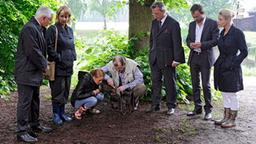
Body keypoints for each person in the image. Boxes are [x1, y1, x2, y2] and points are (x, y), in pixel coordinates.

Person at [14, 6, 54, 143]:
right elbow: (33, 52)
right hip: (26, 73)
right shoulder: (29, 29)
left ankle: (34, 125)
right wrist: (45, 66)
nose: (49, 23)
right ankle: (22, 131)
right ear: (43, 18)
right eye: (49, 20)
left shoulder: (39, 28)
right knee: (25, 103)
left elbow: (41, 51)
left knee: (34, 100)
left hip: (33, 73)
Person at [148, 1, 185, 115]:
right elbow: (152, 40)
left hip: (168, 59)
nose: (155, 16)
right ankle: (155, 105)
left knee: (169, 83)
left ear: (163, 11)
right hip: (155, 58)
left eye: (157, 13)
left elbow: (177, 43)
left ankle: (171, 106)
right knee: (155, 82)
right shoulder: (154, 23)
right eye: (153, 13)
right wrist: (151, 53)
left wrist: (177, 59)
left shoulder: (173, 23)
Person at [214, 9, 248, 128]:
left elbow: (244, 52)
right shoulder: (221, 33)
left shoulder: (238, 33)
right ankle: (226, 117)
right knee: (224, 93)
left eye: (220, 19)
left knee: (231, 94)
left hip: (232, 67)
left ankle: (232, 120)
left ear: (228, 20)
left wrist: (234, 63)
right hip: (221, 65)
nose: (218, 21)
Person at [186, 4, 219, 120]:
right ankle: (197, 108)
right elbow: (187, 39)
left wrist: (201, 45)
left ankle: (208, 110)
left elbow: (216, 40)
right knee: (195, 84)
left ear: (202, 13)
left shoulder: (212, 23)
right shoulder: (191, 25)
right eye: (193, 17)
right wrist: (190, 44)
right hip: (194, 57)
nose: (195, 19)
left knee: (206, 84)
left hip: (206, 57)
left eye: (197, 17)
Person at [46, 6, 76, 125]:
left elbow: (72, 45)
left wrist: (74, 56)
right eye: (62, 16)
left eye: (67, 16)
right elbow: (49, 47)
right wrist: (59, 58)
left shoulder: (70, 30)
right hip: (58, 67)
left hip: (69, 66)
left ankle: (63, 113)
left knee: (66, 91)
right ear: (58, 16)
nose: (65, 19)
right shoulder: (53, 29)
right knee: (57, 92)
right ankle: (56, 114)